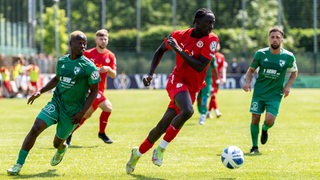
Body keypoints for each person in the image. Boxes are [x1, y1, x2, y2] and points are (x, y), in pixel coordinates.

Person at [126, 8, 219, 174]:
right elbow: (160, 50)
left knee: (162, 126)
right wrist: (150, 74)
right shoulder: (179, 35)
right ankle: (161, 149)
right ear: (197, 23)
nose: (211, 26)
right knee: (188, 111)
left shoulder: (212, 40)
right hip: (177, 81)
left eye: (213, 22)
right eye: (208, 23)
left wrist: (179, 50)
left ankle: (137, 153)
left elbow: (199, 66)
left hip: (193, 87)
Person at [7, 31, 100, 175]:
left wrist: (81, 113)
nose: (83, 46)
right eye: (79, 42)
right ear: (71, 44)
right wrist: (40, 91)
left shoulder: (89, 67)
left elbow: (94, 91)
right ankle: (18, 164)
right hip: (57, 102)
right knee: (36, 127)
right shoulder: (62, 61)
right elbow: (57, 79)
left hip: (73, 111)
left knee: (56, 143)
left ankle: (62, 148)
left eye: (84, 43)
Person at [242, 26, 298, 154]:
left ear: (282, 39)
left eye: (278, 37)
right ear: (269, 39)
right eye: (272, 37)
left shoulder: (288, 56)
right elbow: (250, 70)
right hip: (259, 93)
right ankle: (254, 147)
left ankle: (265, 128)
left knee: (269, 120)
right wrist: (247, 82)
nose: (275, 40)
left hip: (275, 94)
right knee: (255, 118)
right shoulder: (260, 54)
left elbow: (294, 72)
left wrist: (287, 86)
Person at [66, 29, 117, 145]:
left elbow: (114, 75)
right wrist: (94, 71)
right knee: (108, 107)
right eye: (101, 39)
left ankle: (68, 134)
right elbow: (79, 69)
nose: (103, 41)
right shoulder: (88, 54)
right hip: (89, 89)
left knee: (86, 115)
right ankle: (102, 133)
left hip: (100, 90)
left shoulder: (111, 56)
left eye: (105, 39)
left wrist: (108, 69)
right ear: (96, 40)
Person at [207, 43, 227, 119]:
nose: (216, 47)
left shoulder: (221, 56)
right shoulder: (208, 55)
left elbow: (223, 68)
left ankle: (208, 112)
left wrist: (224, 77)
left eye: (218, 45)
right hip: (209, 79)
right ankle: (216, 111)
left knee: (213, 95)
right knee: (213, 95)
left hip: (217, 79)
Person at [197, 56, 218, 125]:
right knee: (198, 98)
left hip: (207, 79)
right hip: (198, 79)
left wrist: (217, 79)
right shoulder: (198, 53)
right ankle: (204, 112)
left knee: (205, 96)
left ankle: (203, 115)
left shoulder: (212, 56)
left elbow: (215, 69)